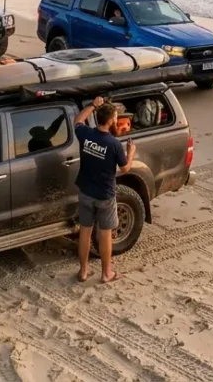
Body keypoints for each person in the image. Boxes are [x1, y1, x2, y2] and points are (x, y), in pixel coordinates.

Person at [72, 96, 135, 284]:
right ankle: (106, 273)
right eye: (116, 118)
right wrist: (131, 152)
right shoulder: (114, 145)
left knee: (85, 231)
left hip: (85, 191)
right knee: (105, 234)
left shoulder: (86, 134)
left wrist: (92, 105)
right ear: (110, 121)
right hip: (105, 195)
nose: (117, 120)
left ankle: (83, 271)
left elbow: (78, 120)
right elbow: (125, 169)